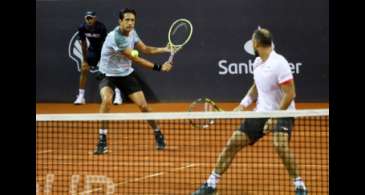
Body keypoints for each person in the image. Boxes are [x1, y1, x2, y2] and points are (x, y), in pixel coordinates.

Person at [192, 28, 308, 195]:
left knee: (279, 144)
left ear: (256, 44)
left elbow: (290, 93)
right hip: (260, 113)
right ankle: (211, 183)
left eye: (252, 41)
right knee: (232, 143)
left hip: (283, 112)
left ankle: (300, 186)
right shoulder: (257, 62)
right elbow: (256, 86)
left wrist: (275, 117)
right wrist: (243, 104)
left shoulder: (279, 63)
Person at [93, 8, 173, 155]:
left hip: (125, 74)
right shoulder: (115, 37)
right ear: (120, 21)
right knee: (107, 99)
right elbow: (136, 59)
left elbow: (145, 49)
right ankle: (102, 139)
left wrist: (165, 49)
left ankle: (158, 133)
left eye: (132, 20)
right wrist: (160, 68)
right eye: (127, 20)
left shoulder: (133, 33)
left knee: (143, 106)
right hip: (107, 74)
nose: (130, 23)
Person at [74, 11, 123, 105]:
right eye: (87, 18)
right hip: (92, 51)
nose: (89, 20)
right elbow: (83, 44)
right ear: (85, 18)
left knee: (111, 73)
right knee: (84, 68)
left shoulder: (101, 27)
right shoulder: (82, 27)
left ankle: (118, 95)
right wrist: (84, 60)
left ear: (95, 18)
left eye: (91, 18)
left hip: (104, 50)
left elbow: (105, 43)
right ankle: (81, 96)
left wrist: (104, 58)